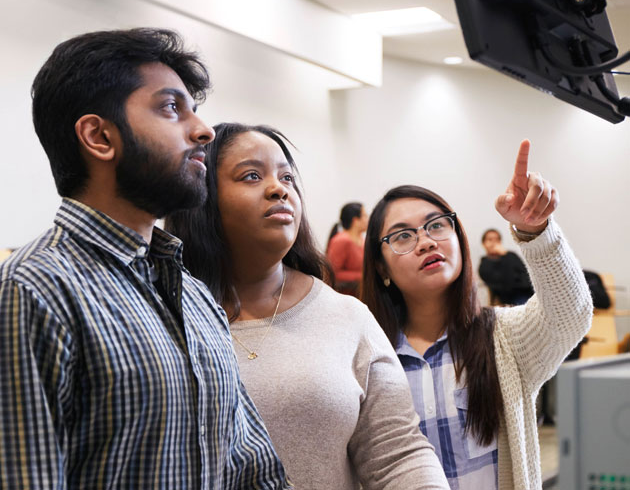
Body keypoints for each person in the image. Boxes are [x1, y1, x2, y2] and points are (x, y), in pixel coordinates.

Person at [0, 29, 290, 489]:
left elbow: (251, 470)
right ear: (99, 136)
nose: (203, 131)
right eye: (171, 108)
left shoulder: (191, 293)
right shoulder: (34, 289)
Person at [166, 122, 450, 490]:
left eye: (287, 177)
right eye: (252, 176)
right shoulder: (162, 314)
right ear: (202, 196)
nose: (278, 189)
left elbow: (397, 454)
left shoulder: (347, 316)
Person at [360, 140, 592, 490]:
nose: (425, 242)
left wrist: (536, 230)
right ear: (381, 267)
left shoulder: (503, 336)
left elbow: (570, 316)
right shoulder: (368, 355)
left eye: (436, 225)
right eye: (403, 236)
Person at [478, 228, 534, 305]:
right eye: (490, 240)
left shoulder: (511, 256)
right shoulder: (484, 265)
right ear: (484, 244)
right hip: (512, 299)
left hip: (531, 293)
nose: (494, 243)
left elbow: (527, 276)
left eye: (497, 240)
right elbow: (507, 286)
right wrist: (504, 254)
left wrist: (505, 255)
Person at [326, 202, 368, 296]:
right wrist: (362, 276)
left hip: (360, 295)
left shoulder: (362, 239)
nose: (368, 219)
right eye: (365, 216)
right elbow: (332, 274)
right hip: (345, 297)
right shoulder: (341, 241)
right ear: (355, 220)